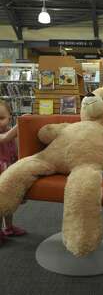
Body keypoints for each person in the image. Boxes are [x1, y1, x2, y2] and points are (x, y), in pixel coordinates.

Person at [0, 100, 27, 246]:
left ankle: (8, 227)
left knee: (8, 203)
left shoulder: (10, 131)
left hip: (8, 171)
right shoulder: (7, 133)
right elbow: (5, 138)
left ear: (10, 117)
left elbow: (17, 151)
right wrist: (22, 123)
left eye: (1, 118)